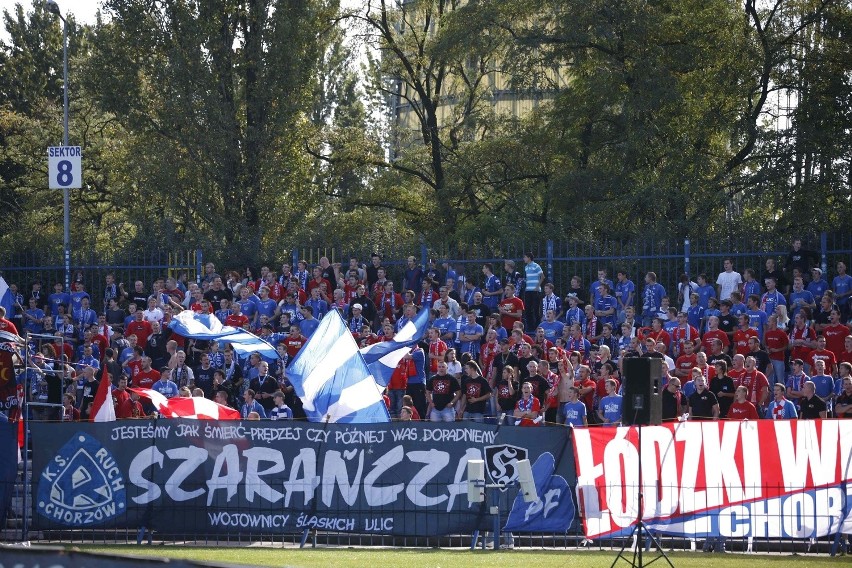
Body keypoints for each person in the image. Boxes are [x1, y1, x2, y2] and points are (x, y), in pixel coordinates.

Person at [522, 253, 544, 330]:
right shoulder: (526, 267)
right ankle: (530, 327)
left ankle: (537, 326)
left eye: (525, 257)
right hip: (528, 290)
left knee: (536, 309)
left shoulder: (536, 266)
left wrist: (537, 286)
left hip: (535, 290)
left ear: (529, 258)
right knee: (527, 309)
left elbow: (542, 276)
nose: (524, 259)